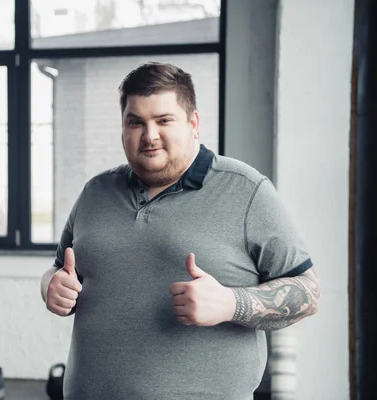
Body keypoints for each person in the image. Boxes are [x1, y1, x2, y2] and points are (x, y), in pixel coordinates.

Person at [39, 62, 321, 400]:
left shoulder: (246, 190)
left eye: (163, 120)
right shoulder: (95, 193)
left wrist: (233, 303)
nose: (149, 135)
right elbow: (58, 269)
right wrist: (51, 287)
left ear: (193, 123)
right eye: (135, 122)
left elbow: (308, 293)